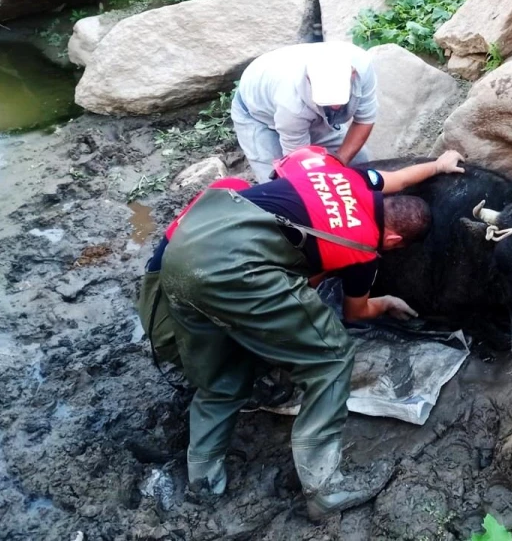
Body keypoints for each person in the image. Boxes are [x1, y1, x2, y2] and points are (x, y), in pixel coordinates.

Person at [146, 146, 466, 519]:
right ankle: (325, 489)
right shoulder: (363, 247)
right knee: (331, 359)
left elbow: (394, 178)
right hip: (235, 266)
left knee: (223, 376)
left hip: (184, 250)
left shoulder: (347, 178)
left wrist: (438, 165)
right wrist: (386, 301)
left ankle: (204, 482)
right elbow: (355, 311)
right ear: (394, 241)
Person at [231, 42, 377, 182]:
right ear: (309, 79)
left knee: (358, 163)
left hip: (300, 108)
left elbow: (364, 120)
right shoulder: (291, 103)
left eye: (340, 97)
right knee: (279, 186)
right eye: (329, 100)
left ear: (352, 74)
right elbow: (299, 164)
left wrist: (340, 161)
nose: (336, 107)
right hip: (256, 114)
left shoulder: (362, 65)